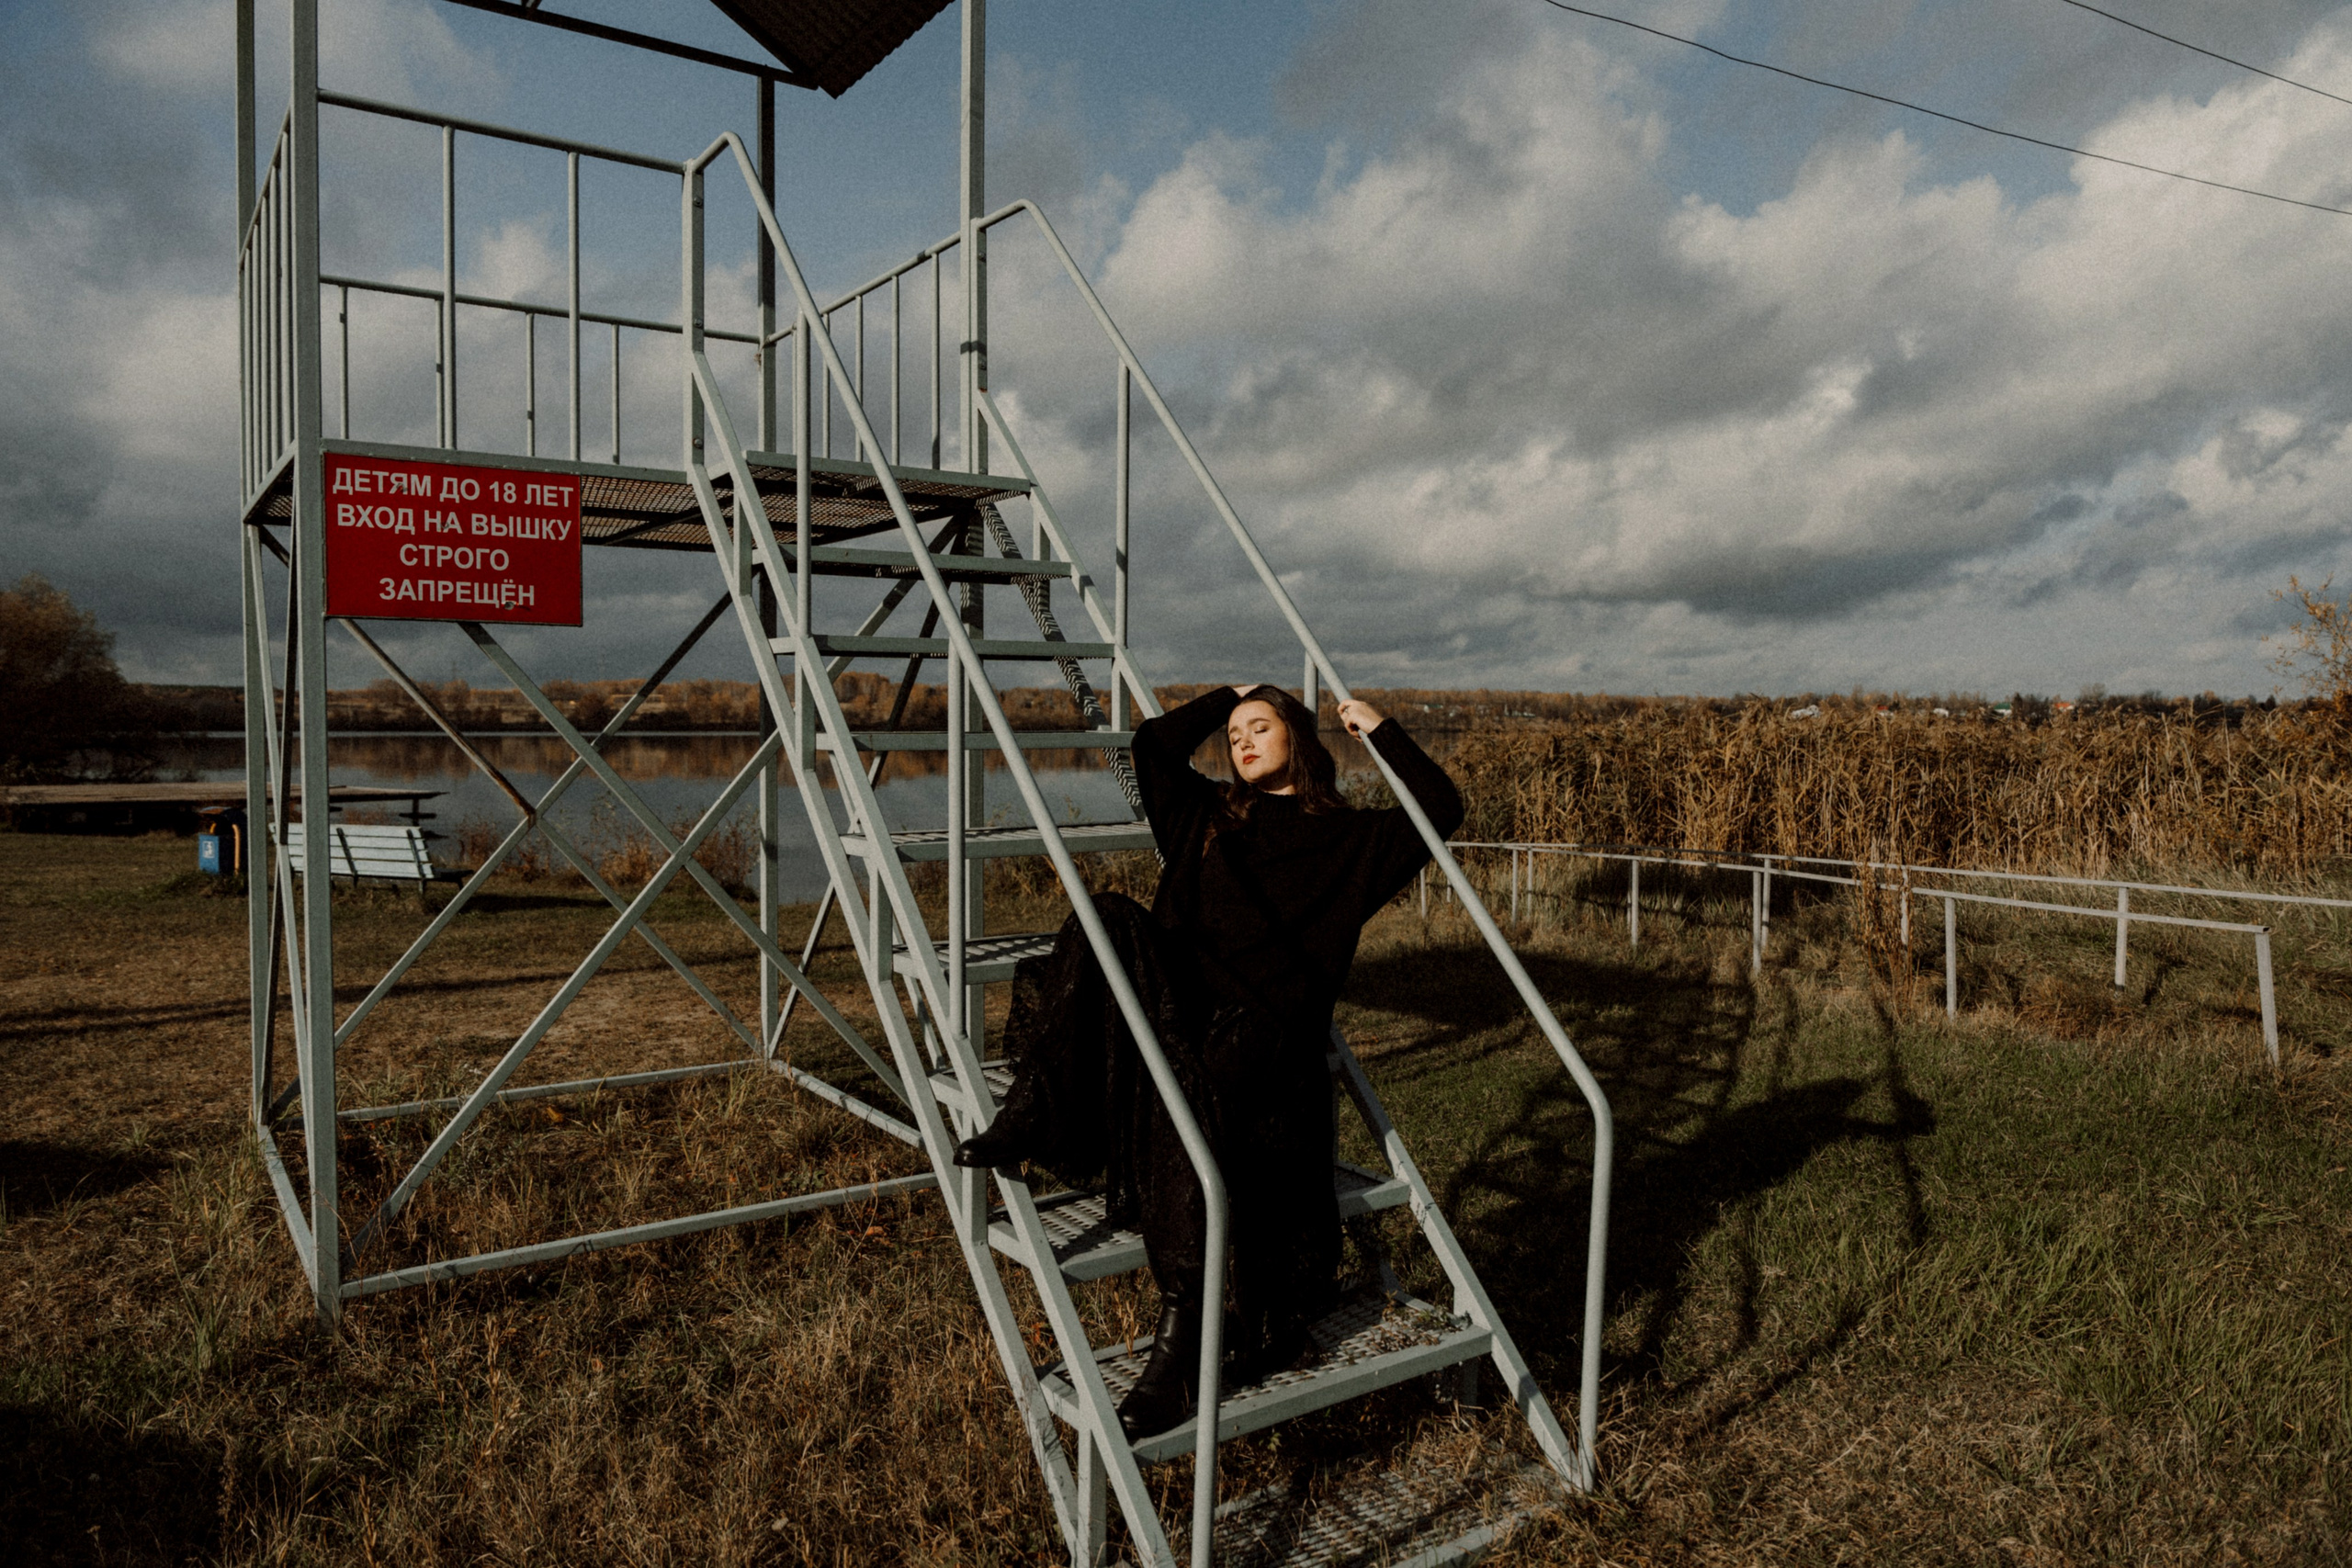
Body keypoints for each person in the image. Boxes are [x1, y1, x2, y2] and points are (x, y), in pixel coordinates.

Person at [953, 682, 1464, 1439]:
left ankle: (1181, 1346)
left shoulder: (1353, 843)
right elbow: (1152, 748)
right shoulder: (1208, 814)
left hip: (1264, 1046)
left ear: (1299, 735)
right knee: (1109, 915)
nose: (1242, 741)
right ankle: (1032, 1107)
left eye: (1260, 725)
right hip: (1176, 1019)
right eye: (1232, 733)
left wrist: (1379, 727)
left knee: (1213, 1083)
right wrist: (1228, 691)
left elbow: (1441, 807)